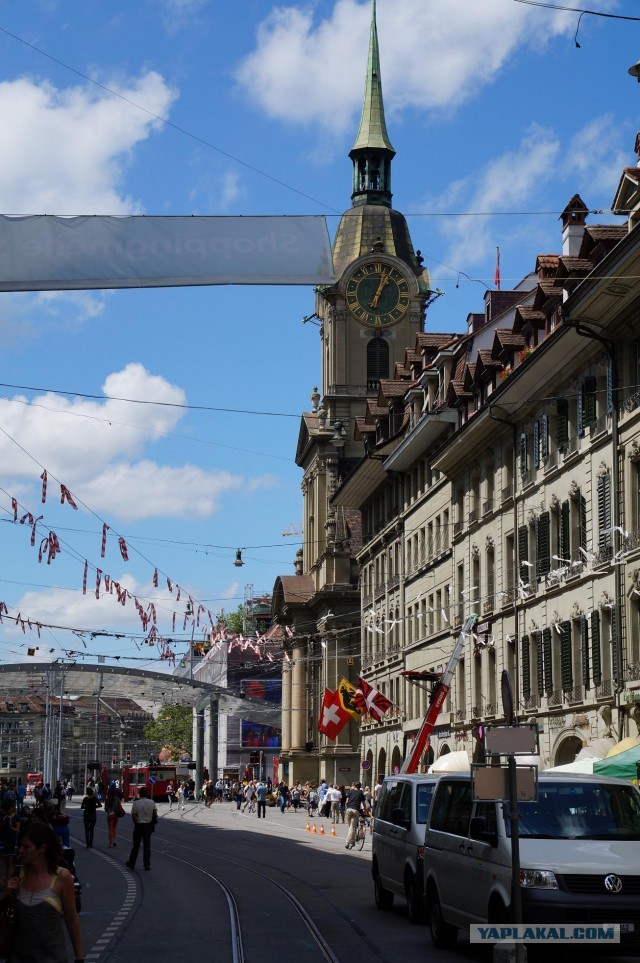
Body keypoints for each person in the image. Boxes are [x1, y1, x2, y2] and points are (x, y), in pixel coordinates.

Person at [5, 821, 84, 963]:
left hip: (52, 958)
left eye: (26, 846)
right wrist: (8, 893)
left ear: (42, 848)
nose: (20, 850)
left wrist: (79, 958)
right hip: (18, 957)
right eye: (20, 846)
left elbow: (71, 918)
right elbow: (6, 914)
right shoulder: (17, 873)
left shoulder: (62, 877)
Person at [125, 786, 157, 872]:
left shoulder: (136, 803)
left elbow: (133, 816)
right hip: (148, 826)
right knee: (147, 845)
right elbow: (155, 814)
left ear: (139, 794)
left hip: (139, 825)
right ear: (147, 794)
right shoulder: (152, 802)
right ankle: (147, 865)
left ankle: (132, 863)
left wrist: (136, 823)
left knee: (136, 845)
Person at [344, 781, 368, 849]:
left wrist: (348, 807)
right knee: (352, 827)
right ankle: (349, 842)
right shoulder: (361, 793)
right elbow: (364, 804)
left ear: (354, 786)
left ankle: (351, 842)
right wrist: (365, 812)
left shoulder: (350, 791)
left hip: (349, 810)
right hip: (356, 810)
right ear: (360, 787)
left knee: (351, 827)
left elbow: (346, 802)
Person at [104, 784, 123, 848]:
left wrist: (109, 811)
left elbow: (105, 808)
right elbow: (119, 807)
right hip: (116, 815)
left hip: (110, 815)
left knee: (110, 829)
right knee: (114, 828)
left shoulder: (107, 799)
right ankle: (114, 841)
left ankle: (110, 843)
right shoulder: (117, 799)